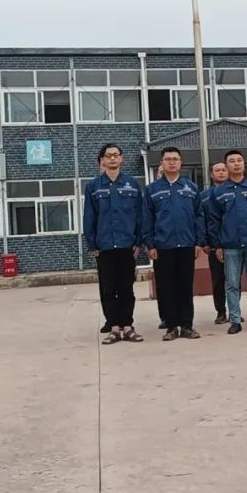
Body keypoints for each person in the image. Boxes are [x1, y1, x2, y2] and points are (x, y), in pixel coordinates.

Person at [84, 143, 145, 343]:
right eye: (108, 155)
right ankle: (114, 328)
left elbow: (139, 214)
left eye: (115, 155)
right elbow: (89, 216)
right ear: (102, 159)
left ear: (121, 158)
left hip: (127, 244)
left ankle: (127, 326)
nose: (112, 158)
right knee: (109, 289)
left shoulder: (132, 184)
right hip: (105, 246)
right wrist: (92, 244)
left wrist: (138, 241)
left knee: (126, 288)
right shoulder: (93, 186)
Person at [208, 150, 247, 335]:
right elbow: (213, 221)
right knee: (232, 285)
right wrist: (217, 245)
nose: (236, 164)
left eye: (239, 160)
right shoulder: (218, 192)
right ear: (226, 165)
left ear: (244, 164)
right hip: (230, 245)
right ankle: (235, 320)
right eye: (232, 161)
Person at [143, 147, 204, 341]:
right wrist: (150, 245)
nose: (171, 162)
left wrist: (198, 242)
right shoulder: (152, 190)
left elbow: (199, 216)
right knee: (166, 287)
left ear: (181, 163)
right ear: (161, 163)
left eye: (175, 159)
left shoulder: (191, 188)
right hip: (163, 246)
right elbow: (147, 218)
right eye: (168, 159)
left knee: (185, 286)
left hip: (186, 244)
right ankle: (171, 326)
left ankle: (187, 325)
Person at [200, 161, 230, 324]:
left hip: (233, 244)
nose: (221, 172)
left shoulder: (235, 192)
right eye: (217, 170)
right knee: (218, 281)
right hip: (213, 245)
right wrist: (204, 242)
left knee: (234, 280)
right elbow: (201, 220)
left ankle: (234, 311)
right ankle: (221, 312)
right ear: (211, 175)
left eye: (224, 170)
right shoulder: (204, 196)